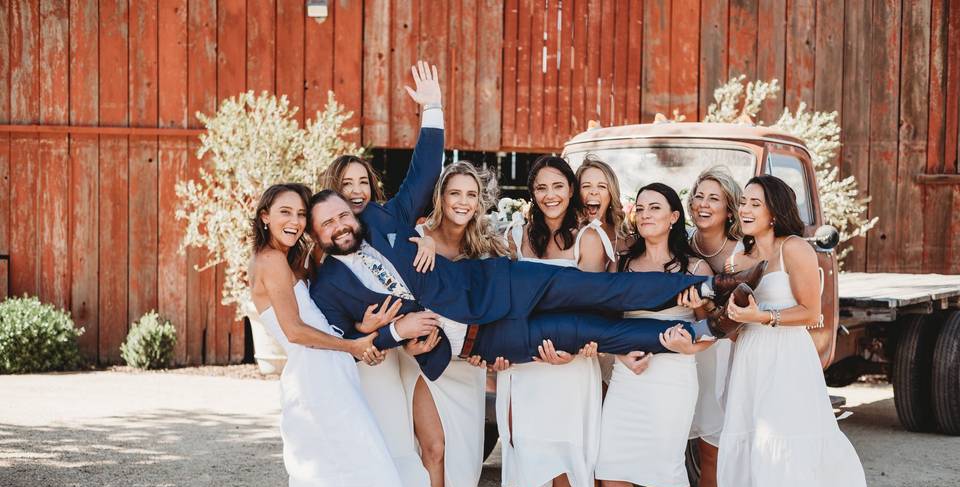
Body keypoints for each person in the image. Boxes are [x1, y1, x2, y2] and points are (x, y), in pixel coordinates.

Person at [306, 186, 765, 382]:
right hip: (485, 340)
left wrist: (432, 108)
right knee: (597, 333)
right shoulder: (325, 287)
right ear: (316, 232)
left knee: (600, 291)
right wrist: (391, 334)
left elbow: (423, 172)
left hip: (504, 285)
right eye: (329, 222)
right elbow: (347, 343)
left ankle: (713, 288)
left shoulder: (384, 226)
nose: (342, 224)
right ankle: (706, 331)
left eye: (344, 214)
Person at [248, 183, 420, 487]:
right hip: (318, 380)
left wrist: (358, 331)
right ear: (264, 215)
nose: (295, 222)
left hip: (328, 375)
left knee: (331, 480)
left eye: (301, 214)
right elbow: (296, 332)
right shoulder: (269, 261)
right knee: (374, 473)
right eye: (284, 212)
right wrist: (356, 346)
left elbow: (317, 320)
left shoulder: (289, 260)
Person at [316, 60, 444, 487]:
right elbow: (324, 319)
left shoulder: (392, 220)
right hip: (369, 359)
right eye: (345, 185)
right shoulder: (325, 252)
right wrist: (362, 330)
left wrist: (432, 110)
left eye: (363, 181)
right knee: (376, 446)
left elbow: (425, 172)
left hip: (416, 352)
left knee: (425, 444)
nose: (356, 191)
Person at [718, 174, 870, 487]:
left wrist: (760, 316)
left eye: (754, 203)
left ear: (775, 209)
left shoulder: (795, 249)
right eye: (742, 202)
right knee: (745, 464)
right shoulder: (737, 255)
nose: (744, 210)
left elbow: (812, 312)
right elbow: (734, 318)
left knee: (773, 465)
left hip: (785, 362)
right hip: (747, 360)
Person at [593, 183, 715, 487]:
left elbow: (712, 329)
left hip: (673, 375)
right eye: (640, 208)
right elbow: (606, 323)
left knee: (667, 466)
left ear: (674, 217)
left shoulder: (694, 268)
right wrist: (621, 355)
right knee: (611, 464)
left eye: (655, 208)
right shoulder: (623, 266)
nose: (646, 215)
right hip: (630, 374)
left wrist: (690, 344)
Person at [496, 156, 611, 487]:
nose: (551, 195)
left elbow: (595, 306)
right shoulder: (512, 237)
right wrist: (501, 353)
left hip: (569, 368)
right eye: (541, 187)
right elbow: (501, 305)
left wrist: (573, 350)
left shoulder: (589, 239)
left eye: (559, 185)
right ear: (532, 192)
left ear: (571, 189)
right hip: (523, 368)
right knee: (524, 455)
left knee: (564, 460)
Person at [397, 161, 510, 487]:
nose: (462, 202)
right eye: (454, 194)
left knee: (461, 464)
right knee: (435, 449)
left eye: (470, 195)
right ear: (441, 198)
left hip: (467, 369)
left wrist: (496, 351)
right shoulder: (418, 240)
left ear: (479, 203)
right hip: (425, 363)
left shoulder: (489, 249)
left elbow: (501, 308)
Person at [639, 166, 746, 487]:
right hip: (673, 353)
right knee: (662, 445)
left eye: (713, 198)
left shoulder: (738, 253)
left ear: (729, 207)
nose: (703, 204)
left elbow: (730, 323)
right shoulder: (681, 245)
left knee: (709, 451)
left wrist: (702, 308)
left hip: (716, 353)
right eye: (698, 196)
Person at [571, 155, 625, 487]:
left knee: (613, 451)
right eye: (585, 186)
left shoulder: (625, 237)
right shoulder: (575, 235)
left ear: (611, 193)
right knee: (590, 448)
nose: (592, 195)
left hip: (618, 348)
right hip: (588, 350)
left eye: (600, 187)